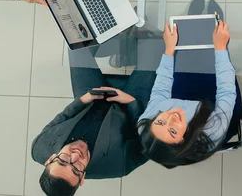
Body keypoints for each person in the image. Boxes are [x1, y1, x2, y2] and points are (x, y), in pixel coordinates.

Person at [32, 47, 157, 193]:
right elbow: (150, 142)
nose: (75, 155)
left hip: (91, 99)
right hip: (129, 105)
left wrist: (82, 100)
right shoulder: (117, 166)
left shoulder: (39, 148)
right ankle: (130, 49)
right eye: (76, 168)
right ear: (82, 178)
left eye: (63, 160)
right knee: (153, 47)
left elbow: (62, 118)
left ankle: (123, 44)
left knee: (77, 45)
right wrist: (132, 103)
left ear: (50, 159)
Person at [137, 20, 238, 168]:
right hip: (212, 102)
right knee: (215, 47)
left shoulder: (146, 125)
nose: (171, 117)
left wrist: (169, 49)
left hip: (181, 95)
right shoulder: (213, 129)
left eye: (160, 121)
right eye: (172, 131)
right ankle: (212, 20)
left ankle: (195, 20)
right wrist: (221, 48)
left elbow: (160, 90)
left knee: (186, 41)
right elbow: (226, 91)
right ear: (183, 141)